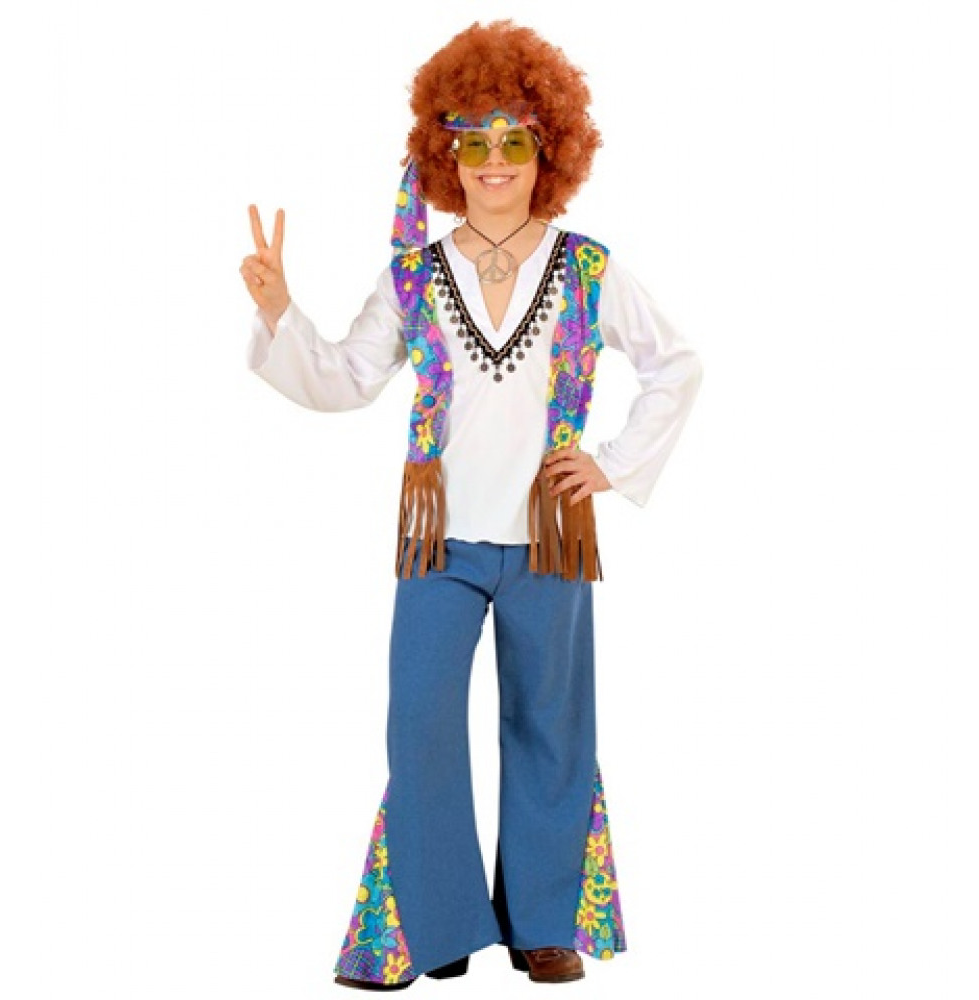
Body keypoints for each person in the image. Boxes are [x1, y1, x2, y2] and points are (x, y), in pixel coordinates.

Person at [240, 19, 702, 990]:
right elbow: (346, 378)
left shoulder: (587, 268)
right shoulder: (414, 276)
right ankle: (432, 922)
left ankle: (544, 922)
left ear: (550, 150)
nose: (495, 160)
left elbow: (677, 365)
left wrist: (611, 464)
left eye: (515, 139)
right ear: (444, 154)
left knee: (550, 728)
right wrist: (280, 309)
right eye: (475, 140)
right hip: (439, 542)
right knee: (419, 723)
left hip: (548, 538)